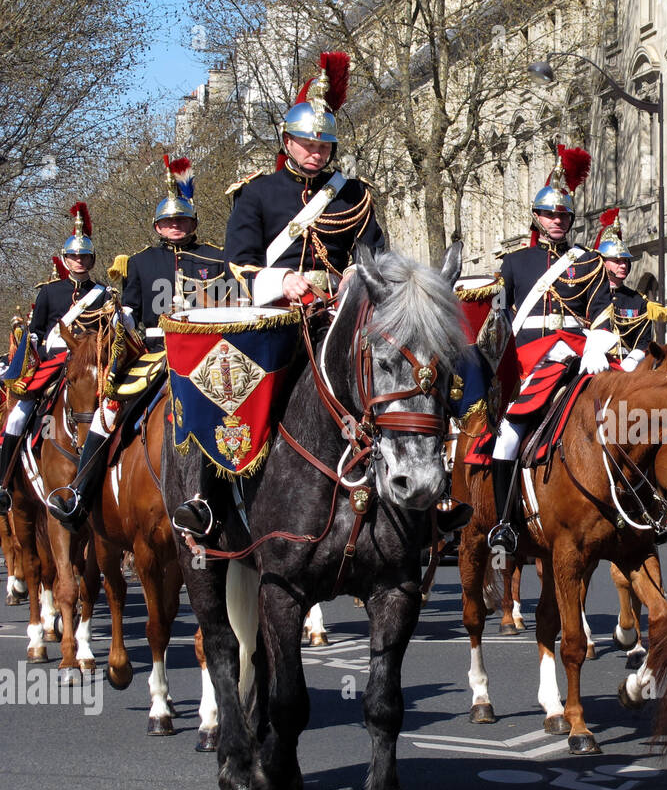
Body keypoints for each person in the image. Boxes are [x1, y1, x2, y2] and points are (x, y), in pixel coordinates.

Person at [169, 51, 383, 541]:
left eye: (324, 143)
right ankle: (210, 498)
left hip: (341, 312)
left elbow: (375, 250)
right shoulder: (258, 192)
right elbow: (238, 262)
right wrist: (280, 281)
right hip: (279, 316)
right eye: (307, 142)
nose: (316, 151)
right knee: (233, 389)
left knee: (395, 378)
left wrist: (357, 272)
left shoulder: (355, 195)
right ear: (287, 142)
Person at [48, 158, 230, 530]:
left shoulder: (215, 258)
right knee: (106, 413)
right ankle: (80, 494)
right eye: (168, 222)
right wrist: (119, 321)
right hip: (155, 356)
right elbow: (129, 314)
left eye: (182, 221)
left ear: (193, 223)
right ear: (158, 226)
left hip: (208, 355)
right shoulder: (139, 262)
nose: (175, 227)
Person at [486, 145, 617, 556]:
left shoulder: (590, 262)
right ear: (537, 219)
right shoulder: (514, 263)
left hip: (578, 355)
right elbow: (498, 320)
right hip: (530, 361)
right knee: (507, 437)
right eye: (549, 215)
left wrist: (597, 343)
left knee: (626, 418)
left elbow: (601, 313)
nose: (557, 221)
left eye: (563, 216)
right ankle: (505, 523)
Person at [0, 204, 112, 514]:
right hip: (53, 365)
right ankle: (4, 483)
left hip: (89, 368)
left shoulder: (102, 294)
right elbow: (36, 332)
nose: (79, 261)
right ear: (66, 260)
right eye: (74, 257)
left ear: (91, 260)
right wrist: (31, 342)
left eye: (85, 257)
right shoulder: (50, 292)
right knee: (18, 415)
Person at [586, 207, 667, 370]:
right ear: (603, 262)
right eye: (617, 261)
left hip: (627, 368)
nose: (622, 265)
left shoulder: (637, 300)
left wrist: (633, 359)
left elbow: (645, 339)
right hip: (592, 364)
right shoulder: (588, 296)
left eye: (625, 261)